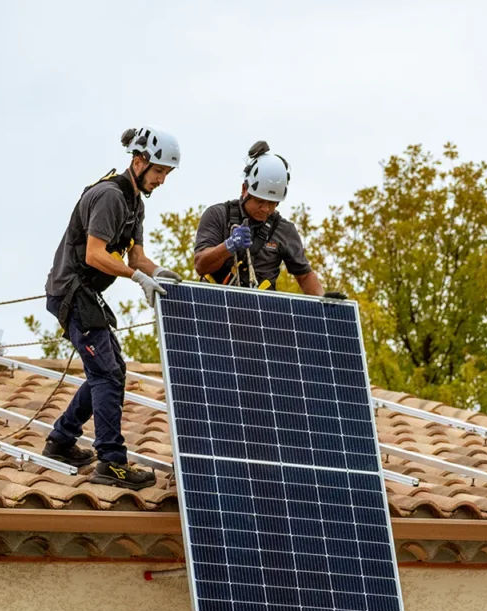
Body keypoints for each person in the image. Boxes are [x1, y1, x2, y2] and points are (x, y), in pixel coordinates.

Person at [40, 126, 182, 490]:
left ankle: (61, 441)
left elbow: (137, 257)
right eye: (159, 171)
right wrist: (137, 277)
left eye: (167, 173)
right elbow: (94, 254)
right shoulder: (110, 196)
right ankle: (111, 462)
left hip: (85, 294)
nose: (162, 180)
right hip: (72, 292)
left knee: (111, 369)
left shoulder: (135, 203)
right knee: (106, 373)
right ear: (138, 162)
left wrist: (159, 274)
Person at [193, 141, 345, 298]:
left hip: (261, 309)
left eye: (272, 203)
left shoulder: (284, 230)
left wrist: (323, 300)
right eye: (260, 201)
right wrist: (229, 246)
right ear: (245, 190)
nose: (266, 209)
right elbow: (200, 265)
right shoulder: (218, 216)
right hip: (214, 304)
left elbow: (305, 276)